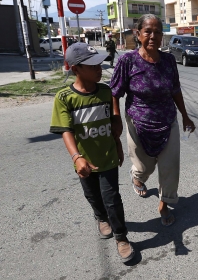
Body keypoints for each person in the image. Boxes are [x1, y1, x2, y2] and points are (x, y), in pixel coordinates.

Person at [49, 43, 134, 262]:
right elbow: (65, 130)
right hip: (84, 161)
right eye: (92, 66)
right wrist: (77, 157)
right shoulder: (65, 97)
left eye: (100, 64)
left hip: (107, 158)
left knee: (112, 198)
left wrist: (117, 141)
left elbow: (113, 117)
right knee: (93, 196)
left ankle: (121, 237)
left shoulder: (105, 91)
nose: (99, 69)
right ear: (76, 69)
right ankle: (100, 217)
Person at [110, 14, 195, 227]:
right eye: (148, 31)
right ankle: (137, 176)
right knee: (144, 166)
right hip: (138, 122)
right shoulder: (127, 60)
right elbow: (115, 92)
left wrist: (185, 115)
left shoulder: (167, 60)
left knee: (170, 166)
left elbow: (175, 89)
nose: (153, 36)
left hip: (168, 121)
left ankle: (164, 202)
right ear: (137, 34)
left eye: (158, 32)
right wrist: (117, 119)